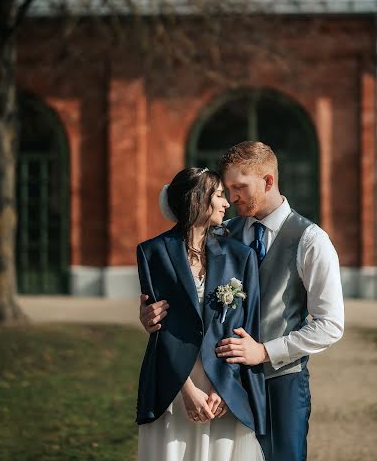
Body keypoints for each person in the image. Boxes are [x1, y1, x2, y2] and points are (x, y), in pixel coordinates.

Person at [140, 142, 345, 461]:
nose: (232, 198)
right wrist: (150, 313)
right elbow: (183, 285)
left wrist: (264, 351)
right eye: (227, 189)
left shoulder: (311, 241)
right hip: (222, 377)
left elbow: (330, 325)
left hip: (280, 381)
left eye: (239, 187)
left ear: (268, 181)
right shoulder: (222, 233)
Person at [136, 167, 266, 461]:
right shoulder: (153, 252)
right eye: (219, 195)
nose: (226, 203)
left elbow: (245, 329)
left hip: (223, 384)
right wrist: (187, 390)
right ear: (197, 200)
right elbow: (161, 328)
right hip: (174, 383)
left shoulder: (240, 257)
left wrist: (223, 386)